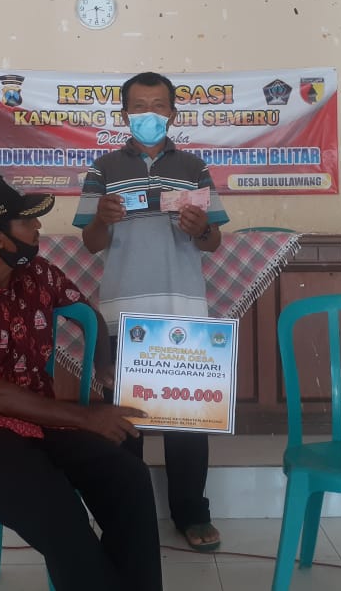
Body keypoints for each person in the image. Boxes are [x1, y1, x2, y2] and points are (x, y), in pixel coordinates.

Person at [0, 174, 163, 591]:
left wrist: (103, 365)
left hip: (35, 420)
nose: (38, 228)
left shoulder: (37, 275)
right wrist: (87, 417)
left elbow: (87, 312)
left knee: (130, 478)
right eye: (27, 222)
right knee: (57, 508)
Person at [72, 71, 230, 552]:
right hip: (124, 309)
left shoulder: (194, 167)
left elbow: (213, 241)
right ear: (124, 115)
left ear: (172, 114)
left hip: (183, 307)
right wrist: (101, 219)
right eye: (139, 107)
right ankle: (126, 513)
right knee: (125, 421)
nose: (149, 115)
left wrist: (201, 228)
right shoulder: (102, 168)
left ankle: (191, 513)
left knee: (188, 419)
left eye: (158, 106)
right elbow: (91, 242)